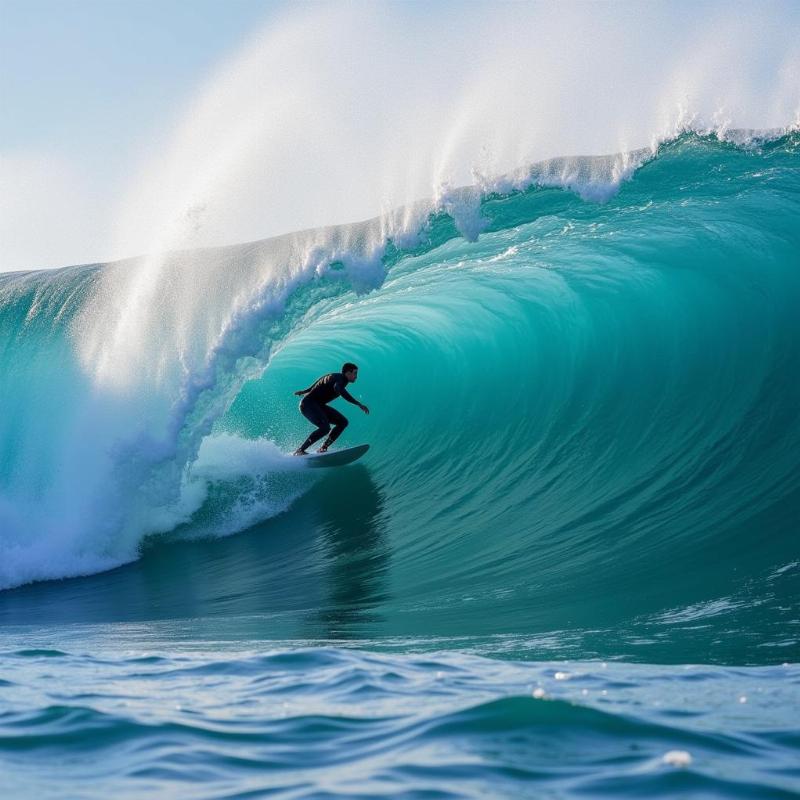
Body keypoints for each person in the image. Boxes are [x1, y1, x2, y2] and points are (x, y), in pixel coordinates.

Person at [293, 362, 369, 455]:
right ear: (348, 373)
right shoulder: (341, 380)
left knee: (343, 422)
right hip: (308, 404)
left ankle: (323, 448)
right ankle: (300, 450)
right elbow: (338, 388)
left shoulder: (335, 376)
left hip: (317, 405)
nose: (356, 376)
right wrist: (358, 404)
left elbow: (320, 380)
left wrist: (306, 391)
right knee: (325, 428)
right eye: (355, 373)